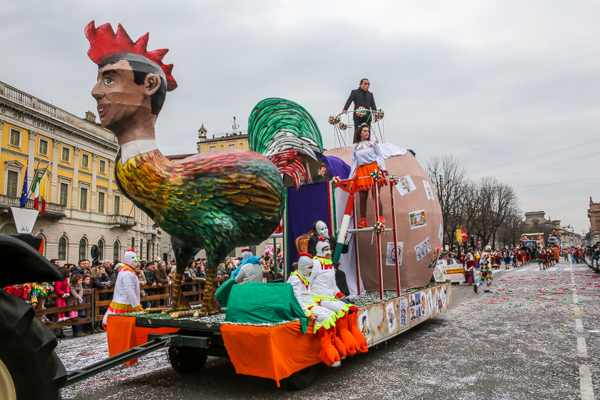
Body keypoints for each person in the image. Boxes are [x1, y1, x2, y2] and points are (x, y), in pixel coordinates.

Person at [310, 238, 367, 355]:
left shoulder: (330, 264)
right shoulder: (315, 264)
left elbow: (333, 285)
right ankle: (344, 346)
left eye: (329, 249)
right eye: (326, 250)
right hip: (319, 299)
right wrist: (310, 303)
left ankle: (356, 344)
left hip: (331, 298)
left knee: (352, 310)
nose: (329, 252)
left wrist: (341, 296)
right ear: (320, 251)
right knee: (343, 312)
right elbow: (307, 284)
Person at [288, 253, 341, 367]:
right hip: (306, 308)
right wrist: (308, 313)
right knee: (326, 319)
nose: (312, 271)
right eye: (310, 268)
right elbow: (297, 299)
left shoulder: (302, 276)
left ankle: (333, 346)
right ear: (303, 267)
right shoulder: (296, 279)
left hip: (311, 305)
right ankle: (326, 351)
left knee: (332, 315)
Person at [349, 124, 388, 228]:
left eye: (368, 131)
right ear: (360, 133)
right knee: (362, 198)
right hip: (362, 171)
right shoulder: (356, 146)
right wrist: (351, 177)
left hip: (373, 169)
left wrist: (383, 168)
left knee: (376, 195)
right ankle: (363, 221)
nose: (367, 133)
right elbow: (354, 162)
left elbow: (380, 156)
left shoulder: (373, 143)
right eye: (365, 131)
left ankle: (380, 218)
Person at [103, 249, 143, 326]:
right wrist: (136, 305)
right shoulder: (127, 273)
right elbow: (129, 290)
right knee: (124, 324)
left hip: (127, 302)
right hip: (126, 303)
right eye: (134, 258)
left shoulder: (126, 270)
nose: (136, 260)